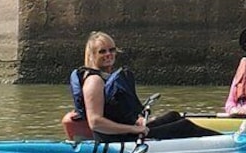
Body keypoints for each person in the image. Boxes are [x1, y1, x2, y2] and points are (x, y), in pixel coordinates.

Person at [73, 31, 219, 142]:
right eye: (102, 51)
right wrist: (134, 129)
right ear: (92, 55)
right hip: (116, 139)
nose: (109, 54)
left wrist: (139, 122)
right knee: (185, 126)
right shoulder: (94, 81)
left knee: (173, 116)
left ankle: (220, 139)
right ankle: (226, 143)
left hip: (127, 131)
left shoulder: (103, 77)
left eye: (111, 50)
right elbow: (95, 123)